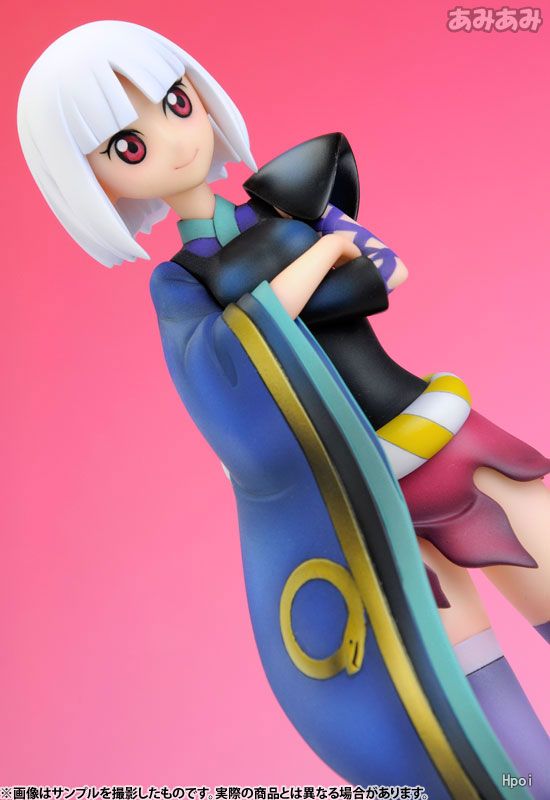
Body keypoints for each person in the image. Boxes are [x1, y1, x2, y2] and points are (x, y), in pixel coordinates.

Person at [17, 19, 549, 797]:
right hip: (357, 508)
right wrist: (321, 255)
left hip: (436, 434)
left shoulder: (285, 204)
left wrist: (318, 251)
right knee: (466, 698)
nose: (172, 140)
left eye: (176, 102)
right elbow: (224, 374)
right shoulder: (181, 283)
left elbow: (388, 274)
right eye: (127, 146)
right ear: (92, 182)